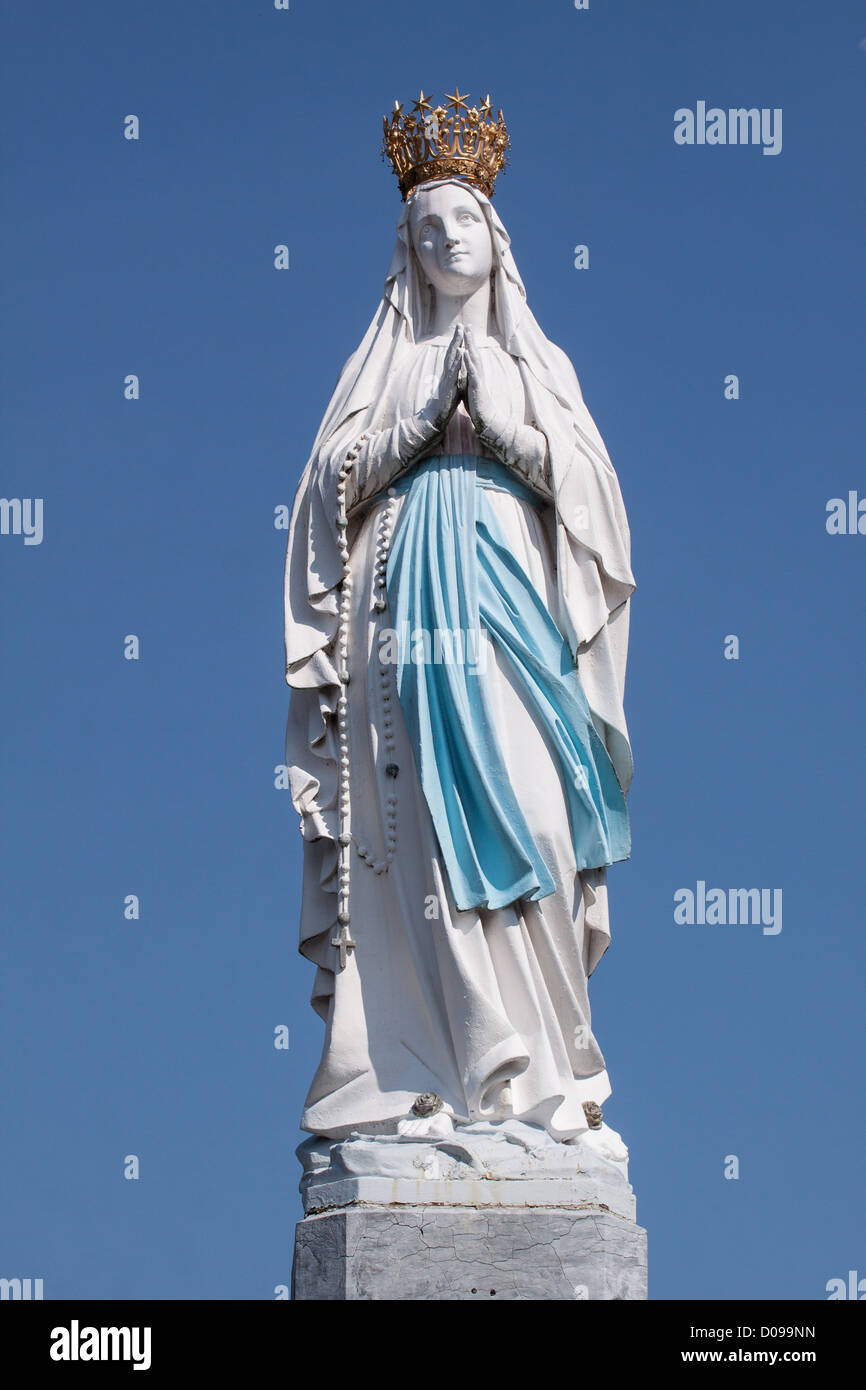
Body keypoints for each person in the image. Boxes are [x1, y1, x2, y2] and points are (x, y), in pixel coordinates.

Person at [283, 168, 635, 1144]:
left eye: (462, 219)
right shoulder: (386, 364)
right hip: (404, 604)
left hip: (512, 595)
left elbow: (598, 509)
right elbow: (325, 492)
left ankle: (547, 1074)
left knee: (535, 814)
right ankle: (436, 1070)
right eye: (424, 226)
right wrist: (417, 426)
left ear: (495, 232)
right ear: (407, 249)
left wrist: (506, 439)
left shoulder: (536, 365)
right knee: (422, 828)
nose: (445, 239)